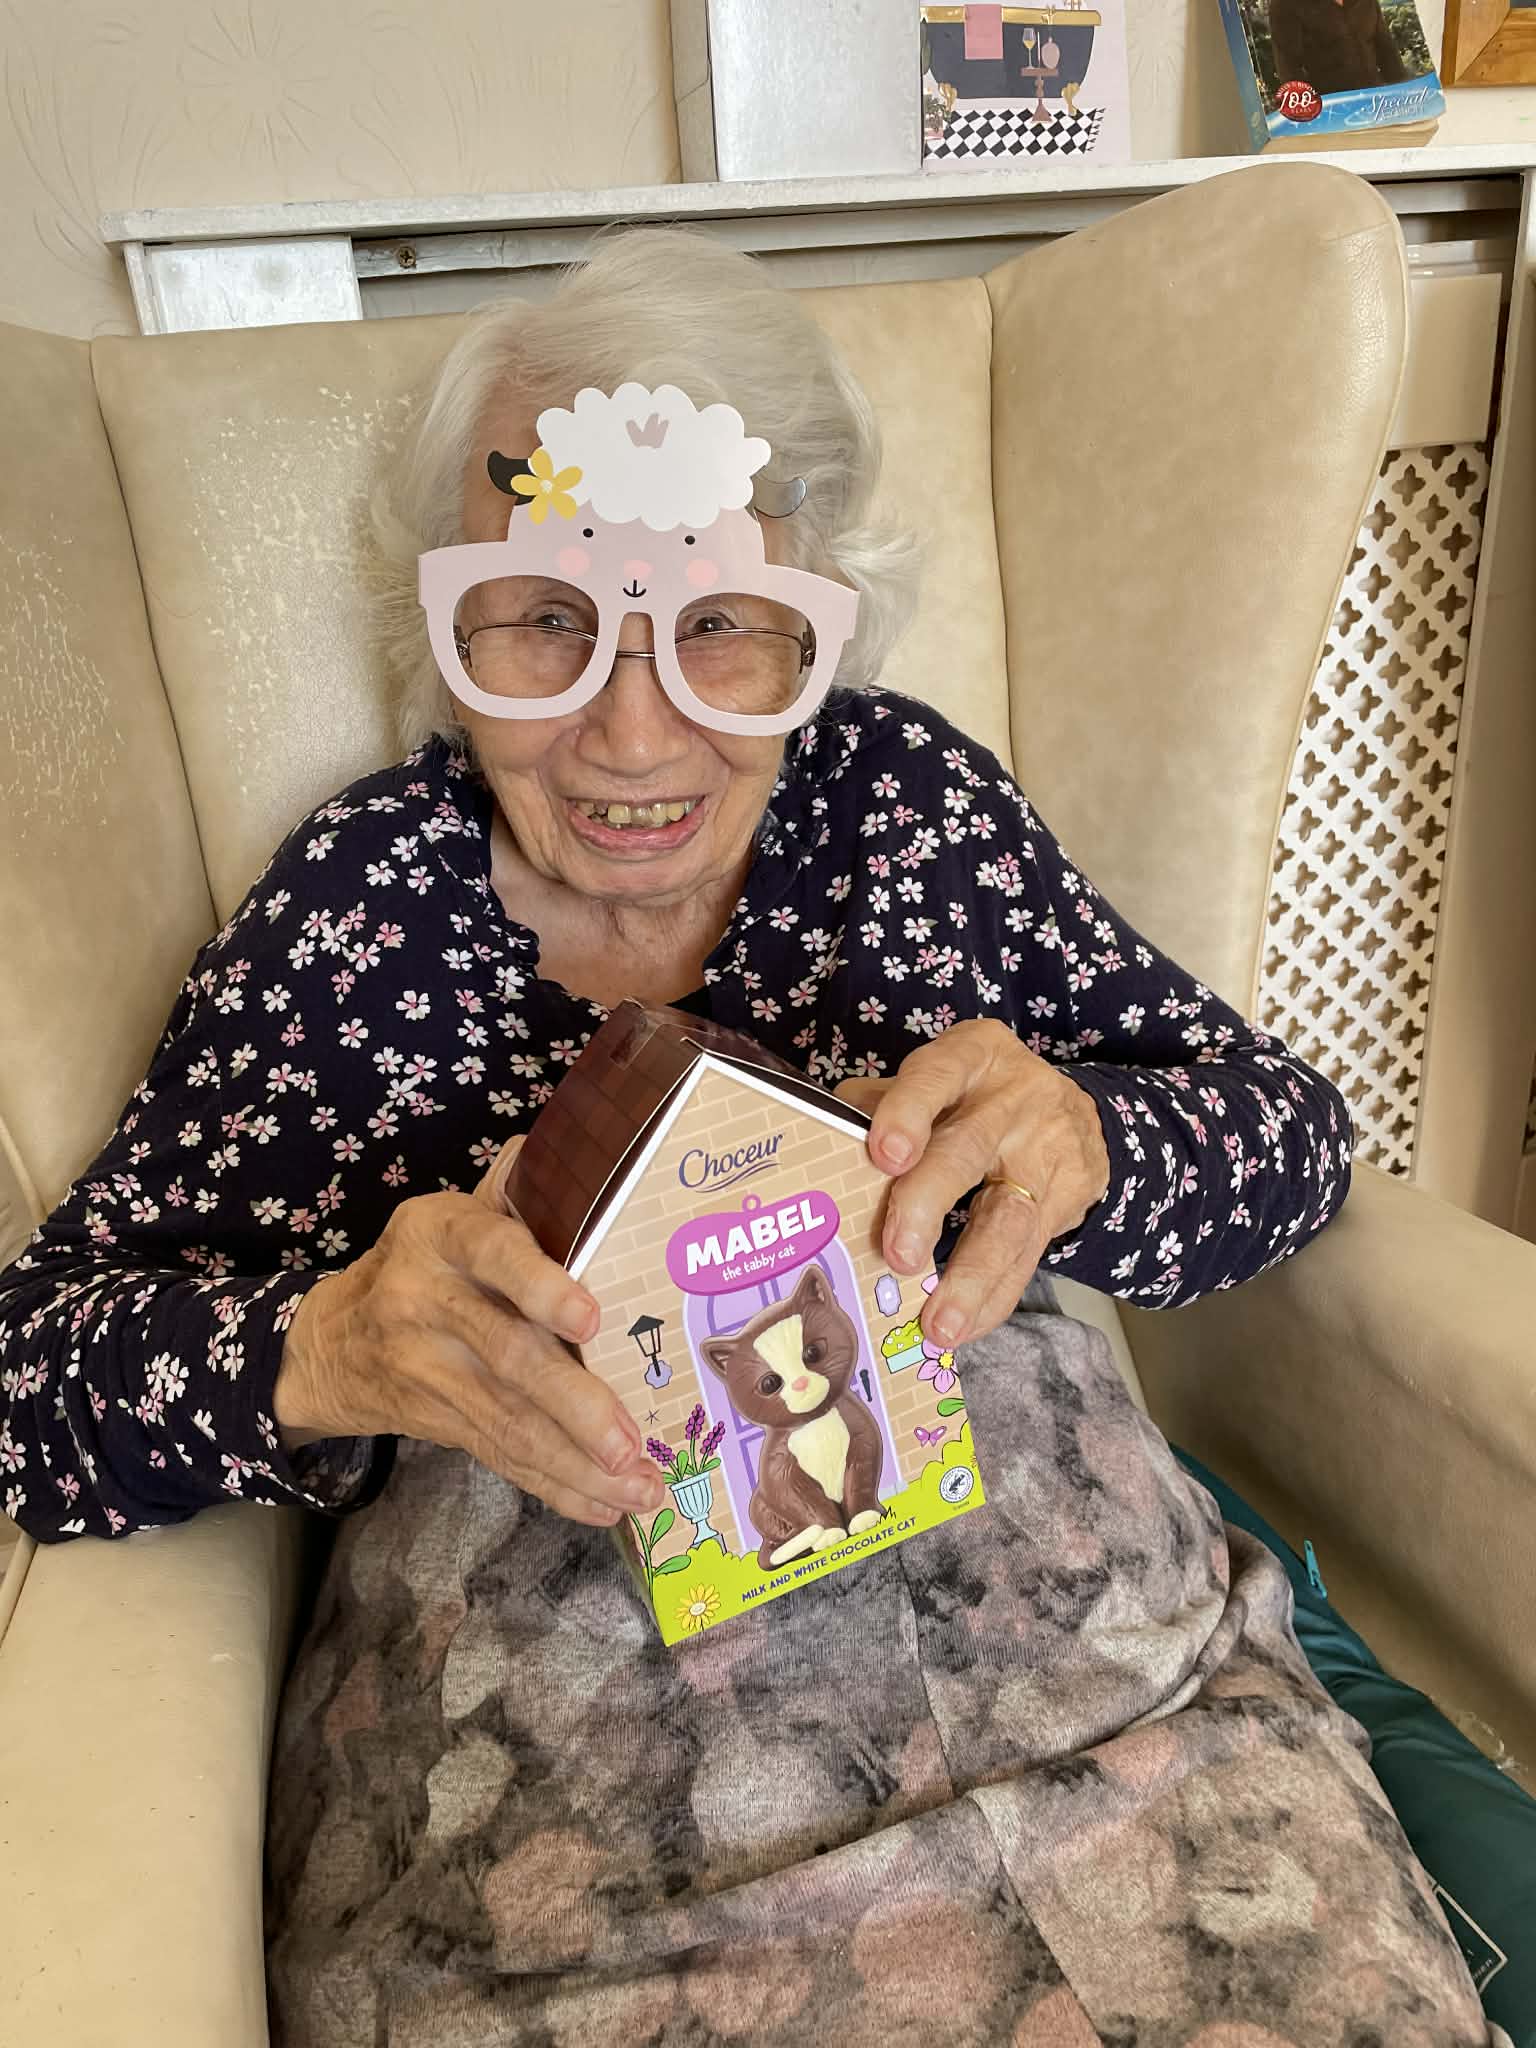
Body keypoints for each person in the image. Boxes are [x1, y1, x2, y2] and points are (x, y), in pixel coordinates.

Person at [0, 230, 1500, 2047]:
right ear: (441, 631)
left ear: (819, 619)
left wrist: (1089, 1139)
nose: (635, 728)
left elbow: (1290, 1134)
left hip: (1105, 1715)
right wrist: (315, 1347)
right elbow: (32, 1368)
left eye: (721, 622)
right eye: (547, 617)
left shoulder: (910, 808)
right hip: (587, 1812)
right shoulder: (357, 907)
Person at [1268, 0, 1409, 98]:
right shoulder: (1285, 5)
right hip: (1334, 114)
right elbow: (1289, 72)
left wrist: (1406, 95)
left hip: (1378, 101)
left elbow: (1388, 54)